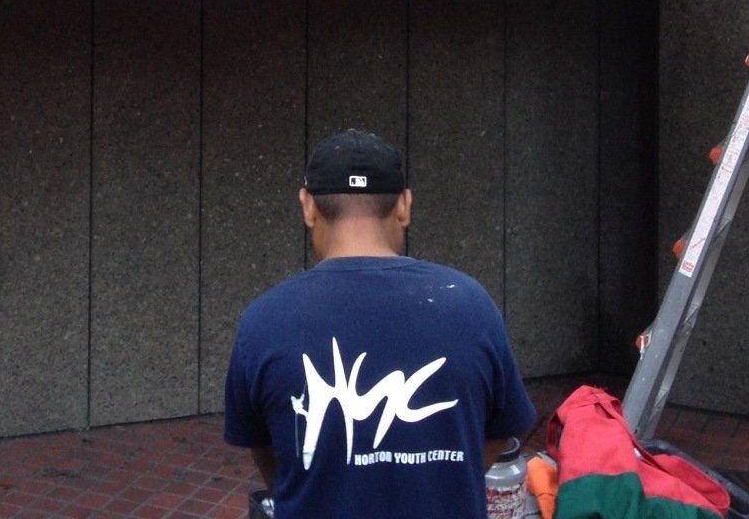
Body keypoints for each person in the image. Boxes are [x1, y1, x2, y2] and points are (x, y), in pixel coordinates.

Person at [222, 129, 536, 519]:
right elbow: (503, 429)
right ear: (405, 206)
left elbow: (268, 453)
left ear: (307, 206)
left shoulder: (264, 319)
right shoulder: (471, 304)